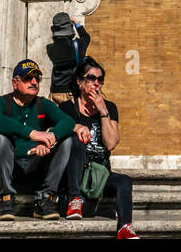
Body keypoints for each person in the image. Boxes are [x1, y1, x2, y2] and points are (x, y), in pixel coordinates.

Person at [0, 59, 76, 220]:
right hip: (9, 171)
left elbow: (68, 122)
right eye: (28, 78)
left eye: (37, 79)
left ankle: (45, 200)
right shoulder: (0, 103)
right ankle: (5, 199)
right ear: (15, 82)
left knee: (67, 139)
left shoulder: (43, 104)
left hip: (36, 170)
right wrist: (33, 134)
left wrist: (50, 138)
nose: (34, 82)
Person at [59, 57, 138, 238]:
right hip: (75, 172)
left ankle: (124, 227)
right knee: (75, 140)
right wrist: (75, 127)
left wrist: (102, 110)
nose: (96, 83)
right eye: (91, 78)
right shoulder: (67, 108)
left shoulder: (109, 107)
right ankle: (74, 199)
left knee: (124, 181)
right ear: (79, 82)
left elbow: (110, 143)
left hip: (99, 173)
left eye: (100, 79)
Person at [45, 11, 90, 104]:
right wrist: (76, 23)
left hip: (55, 92)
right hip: (72, 93)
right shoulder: (77, 46)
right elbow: (86, 37)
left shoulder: (50, 48)